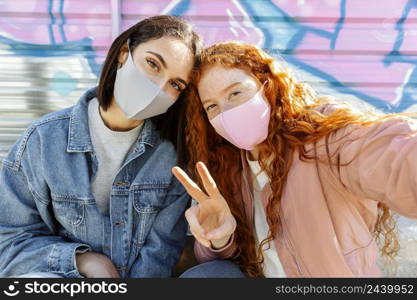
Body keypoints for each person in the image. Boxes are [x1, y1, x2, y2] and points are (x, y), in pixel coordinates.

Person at [173, 41, 417, 278]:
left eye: (235, 92)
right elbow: (223, 257)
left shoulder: (322, 136)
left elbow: (389, 155)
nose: (226, 111)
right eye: (212, 106)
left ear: (266, 86)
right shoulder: (228, 166)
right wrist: (219, 238)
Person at [0, 15, 202, 278]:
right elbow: (9, 242)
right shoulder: (42, 141)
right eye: (153, 64)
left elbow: (159, 255)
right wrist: (83, 261)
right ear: (123, 53)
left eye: (175, 84)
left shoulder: (172, 159)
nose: (158, 87)